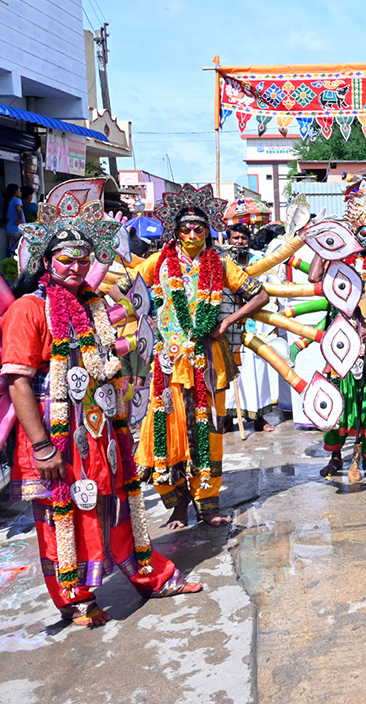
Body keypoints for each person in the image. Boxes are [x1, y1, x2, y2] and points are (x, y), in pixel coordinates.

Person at [3, 190, 201, 626]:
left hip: (101, 428)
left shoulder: (93, 307)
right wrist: (41, 447)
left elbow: (110, 363)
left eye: (82, 258)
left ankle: (153, 577)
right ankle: (76, 599)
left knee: (118, 508)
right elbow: (18, 380)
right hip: (54, 435)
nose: (75, 267)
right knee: (62, 519)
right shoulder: (27, 309)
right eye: (65, 258)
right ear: (45, 261)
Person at [131, 184, 270, 529]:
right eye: (185, 228)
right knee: (169, 428)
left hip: (209, 362)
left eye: (199, 228)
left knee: (207, 433)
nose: (192, 234)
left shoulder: (220, 262)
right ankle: (178, 508)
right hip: (168, 363)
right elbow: (129, 292)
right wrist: (146, 319)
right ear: (175, 232)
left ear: (208, 230)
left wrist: (227, 321)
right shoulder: (158, 261)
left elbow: (260, 295)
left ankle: (208, 504)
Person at [309, 179, 366, 479]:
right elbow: (314, 276)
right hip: (339, 340)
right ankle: (335, 457)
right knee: (337, 395)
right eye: (362, 230)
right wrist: (327, 244)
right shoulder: (338, 258)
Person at [222, 223, 283, 433]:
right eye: (235, 238)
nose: (239, 242)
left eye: (244, 238)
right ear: (228, 240)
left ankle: (258, 418)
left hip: (256, 325)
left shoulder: (259, 262)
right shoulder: (223, 262)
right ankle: (228, 419)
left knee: (257, 373)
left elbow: (271, 289)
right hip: (227, 325)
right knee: (230, 376)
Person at [4, 184, 25, 252]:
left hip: (10, 229)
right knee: (21, 250)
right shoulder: (17, 200)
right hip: (18, 229)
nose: (21, 192)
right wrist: (20, 218)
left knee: (13, 250)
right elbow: (18, 208)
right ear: (15, 191)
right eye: (19, 191)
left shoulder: (9, 202)